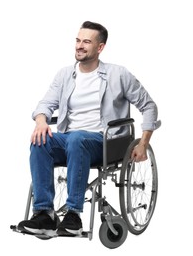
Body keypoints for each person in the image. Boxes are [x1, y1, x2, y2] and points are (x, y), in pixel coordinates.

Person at [18, 21, 161, 237]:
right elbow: (44, 105)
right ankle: (45, 213)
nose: (79, 46)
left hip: (105, 142)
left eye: (86, 41)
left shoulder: (118, 74)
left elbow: (149, 106)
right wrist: (40, 122)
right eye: (77, 40)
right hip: (70, 139)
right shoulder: (64, 75)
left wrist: (143, 143)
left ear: (100, 47)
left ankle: (74, 214)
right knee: (40, 141)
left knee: (77, 139)